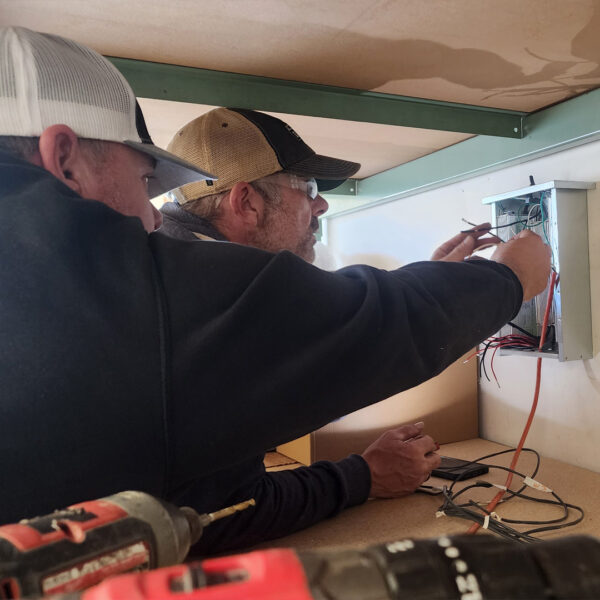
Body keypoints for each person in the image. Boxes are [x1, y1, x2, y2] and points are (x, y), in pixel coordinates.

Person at [0, 27, 550, 557]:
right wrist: (508, 276)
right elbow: (376, 324)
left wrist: (439, 281)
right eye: (308, 189)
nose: (149, 213)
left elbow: (191, 507)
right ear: (64, 158)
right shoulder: (154, 292)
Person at [158, 108, 498, 553]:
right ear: (246, 203)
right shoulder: (221, 298)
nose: (320, 206)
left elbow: (351, 318)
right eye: (308, 189)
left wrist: (435, 280)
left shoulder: (173, 271)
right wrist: (364, 477)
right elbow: (223, 514)